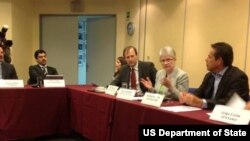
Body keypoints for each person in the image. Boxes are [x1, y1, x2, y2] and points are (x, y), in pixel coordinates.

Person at [179, 42, 249, 110]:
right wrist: (187, 98)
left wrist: (201, 103)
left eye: (209, 57)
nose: (206, 59)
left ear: (219, 61)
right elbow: (198, 95)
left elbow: (230, 103)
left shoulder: (238, 77)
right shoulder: (209, 76)